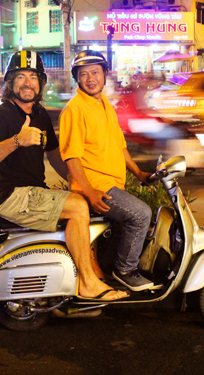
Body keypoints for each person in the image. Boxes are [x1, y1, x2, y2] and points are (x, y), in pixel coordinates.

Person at [0, 50, 127, 302]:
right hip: (11, 196)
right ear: (10, 81)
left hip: (34, 192)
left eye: (34, 77)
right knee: (78, 207)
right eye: (21, 77)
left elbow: (56, 155)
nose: (28, 83)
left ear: (41, 83)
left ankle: (92, 273)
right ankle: (88, 284)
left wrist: (82, 184)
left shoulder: (39, 114)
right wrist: (17, 140)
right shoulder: (0, 115)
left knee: (83, 201)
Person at [59, 50, 155, 292]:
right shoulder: (75, 109)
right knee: (141, 214)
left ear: (105, 75)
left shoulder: (104, 105)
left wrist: (138, 173)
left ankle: (110, 270)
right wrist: (89, 191)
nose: (90, 79)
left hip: (112, 184)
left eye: (95, 73)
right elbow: (71, 157)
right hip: (96, 186)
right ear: (77, 79)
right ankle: (125, 270)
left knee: (126, 225)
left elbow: (119, 146)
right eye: (84, 75)